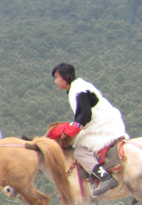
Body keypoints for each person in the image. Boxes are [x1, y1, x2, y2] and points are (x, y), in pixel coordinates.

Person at [51, 63, 129, 196]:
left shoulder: (78, 90)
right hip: (105, 122)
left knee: (80, 152)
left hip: (103, 125)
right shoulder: (78, 87)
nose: (56, 81)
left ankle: (104, 177)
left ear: (66, 77)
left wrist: (70, 132)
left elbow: (86, 115)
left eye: (57, 77)